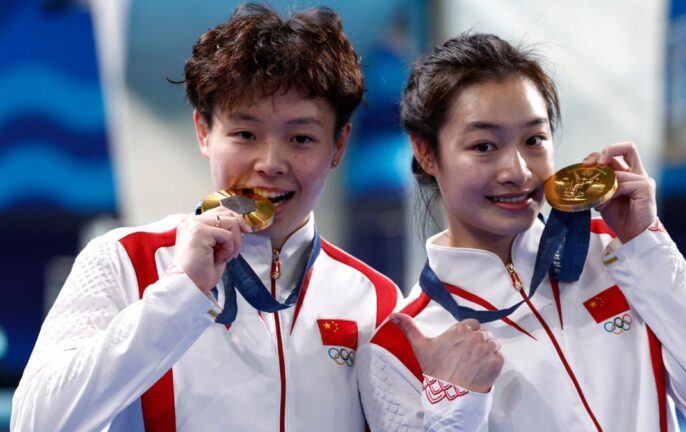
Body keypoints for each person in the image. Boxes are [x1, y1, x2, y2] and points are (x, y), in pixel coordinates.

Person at [12, 4, 401, 431]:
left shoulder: (376, 300)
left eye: (301, 138)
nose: (271, 162)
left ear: (339, 146)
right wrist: (180, 295)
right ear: (204, 132)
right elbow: (36, 421)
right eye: (245, 134)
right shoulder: (124, 261)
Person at [357, 33, 686, 431]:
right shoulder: (403, 346)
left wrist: (648, 245)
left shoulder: (616, 251)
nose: (518, 172)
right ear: (426, 152)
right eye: (483, 146)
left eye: (534, 140)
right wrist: (454, 405)